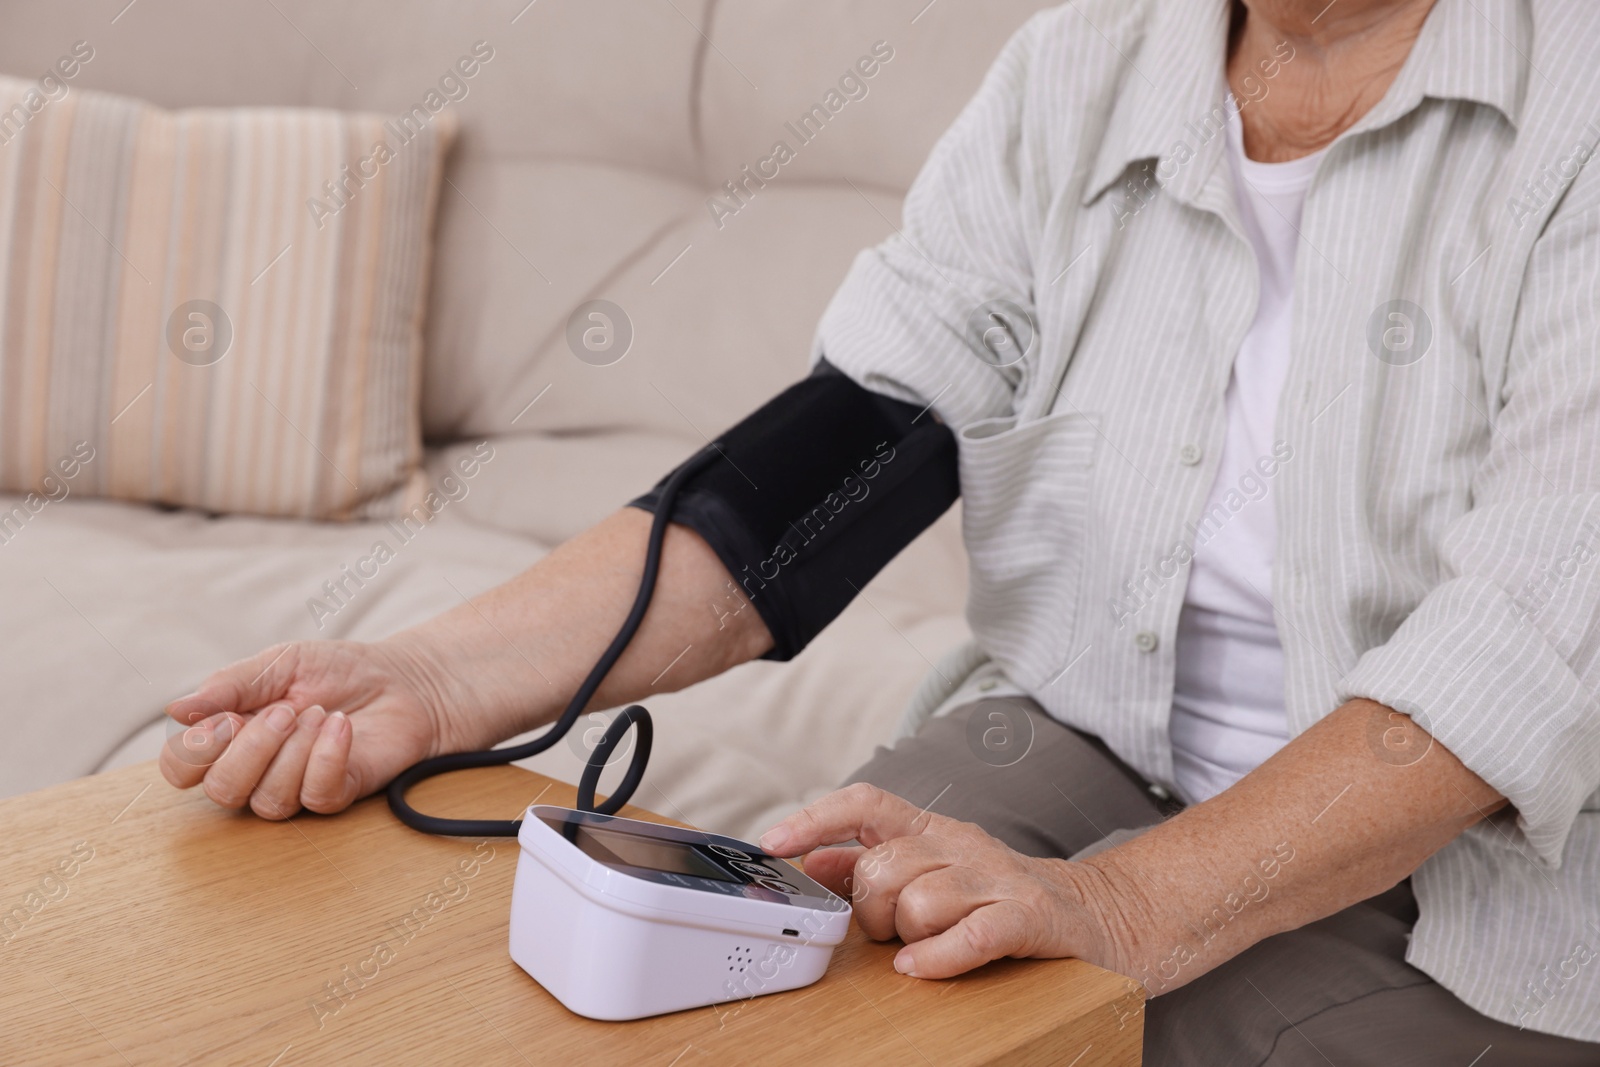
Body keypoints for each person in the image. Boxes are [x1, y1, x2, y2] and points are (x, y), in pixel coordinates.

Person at [160, 0, 1600, 1061]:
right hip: (1089, 743)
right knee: (784, 1018)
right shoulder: (1079, 71)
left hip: (1485, 876)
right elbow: (852, 448)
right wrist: (436, 678)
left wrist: (1118, 908)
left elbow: (1519, 655)